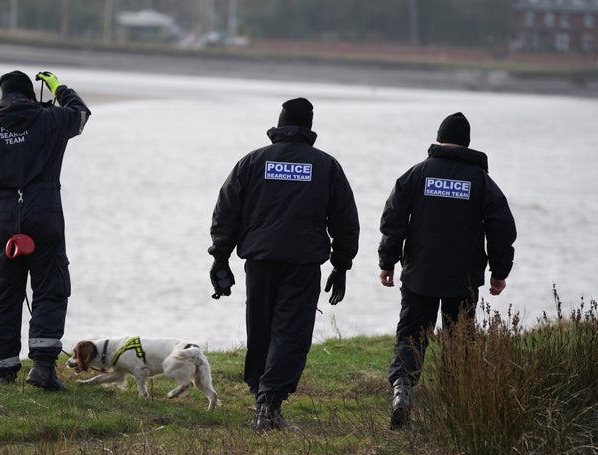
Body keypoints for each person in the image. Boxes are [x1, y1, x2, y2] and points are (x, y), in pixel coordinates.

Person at [209, 97, 360, 432]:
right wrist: (342, 264)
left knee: (260, 326)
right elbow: (345, 220)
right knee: (290, 331)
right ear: (309, 127)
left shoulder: (253, 161)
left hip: (260, 260)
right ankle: (269, 405)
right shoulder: (326, 166)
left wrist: (221, 257)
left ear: (279, 124)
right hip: (303, 263)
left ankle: (261, 395)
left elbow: (226, 210)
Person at [0, 70, 90, 390]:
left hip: (4, 221)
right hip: (45, 214)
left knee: (4, 291)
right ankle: (42, 369)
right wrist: (59, 88)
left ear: (2, 97)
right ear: (31, 95)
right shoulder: (49, 118)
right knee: (50, 287)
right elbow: (81, 114)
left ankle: (3, 372)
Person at [378, 112, 517, 429]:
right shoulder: (480, 181)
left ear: (439, 139)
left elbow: (393, 221)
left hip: (419, 273)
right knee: (460, 340)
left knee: (411, 336)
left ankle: (402, 391)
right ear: (467, 143)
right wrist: (499, 271)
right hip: (462, 277)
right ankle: (456, 404)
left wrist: (387, 261)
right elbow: (501, 229)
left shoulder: (417, 174)